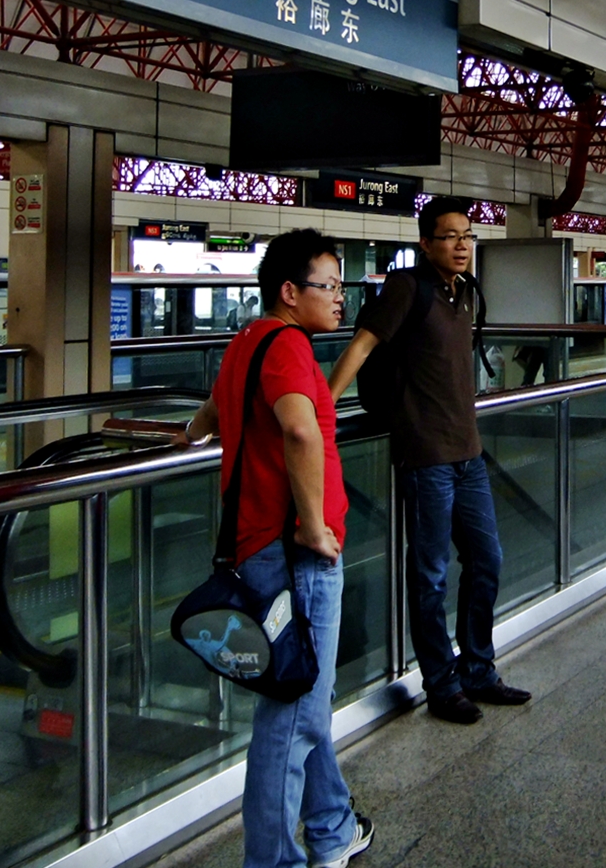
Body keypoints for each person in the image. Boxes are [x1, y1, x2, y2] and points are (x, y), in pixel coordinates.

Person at [181, 230, 373, 868]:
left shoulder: (247, 342)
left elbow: (209, 414)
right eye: (329, 286)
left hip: (255, 547)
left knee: (302, 701)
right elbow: (297, 427)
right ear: (290, 293)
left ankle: (331, 827)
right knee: (289, 720)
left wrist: (190, 434)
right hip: (295, 555)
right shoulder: (289, 346)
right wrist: (316, 524)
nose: (340, 299)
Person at [328, 197, 530, 725]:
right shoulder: (405, 288)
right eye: (449, 236)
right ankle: (441, 684)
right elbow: (362, 345)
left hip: (468, 452)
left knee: (487, 561)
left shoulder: (462, 292)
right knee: (431, 575)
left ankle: (478, 670)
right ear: (425, 243)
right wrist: (323, 408)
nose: (462, 245)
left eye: (468, 235)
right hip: (425, 456)